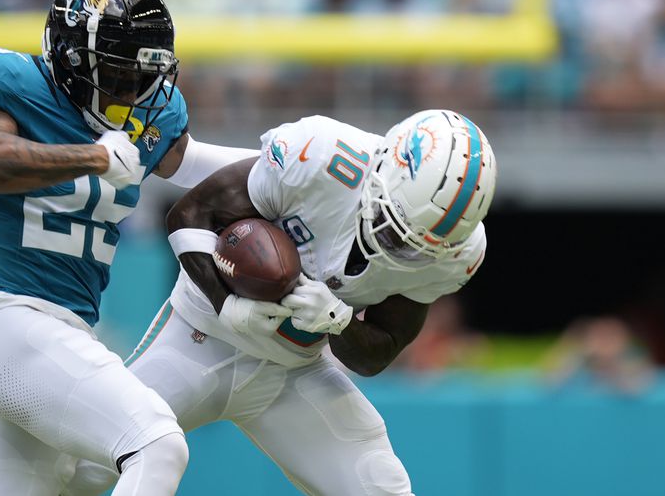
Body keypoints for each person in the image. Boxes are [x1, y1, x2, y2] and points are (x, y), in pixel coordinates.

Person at [0, 0, 259, 496]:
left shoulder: (149, 116)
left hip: (63, 333)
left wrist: (303, 158)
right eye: (120, 73)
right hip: (11, 319)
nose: (134, 92)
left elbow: (196, 165)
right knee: (156, 443)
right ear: (72, 58)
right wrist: (92, 157)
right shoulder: (16, 85)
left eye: (145, 76)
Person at [62, 109, 497, 495]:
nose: (397, 247)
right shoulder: (323, 157)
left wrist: (340, 321)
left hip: (294, 370)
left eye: (417, 246)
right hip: (199, 337)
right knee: (81, 464)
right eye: (390, 223)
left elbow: (378, 352)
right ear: (382, 169)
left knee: (379, 484)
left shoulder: (456, 257)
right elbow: (190, 215)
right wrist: (227, 305)